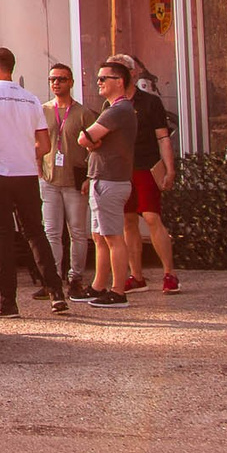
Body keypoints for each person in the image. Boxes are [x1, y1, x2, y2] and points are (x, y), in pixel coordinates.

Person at [0, 47, 68, 317]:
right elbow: (44, 144)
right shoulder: (31, 98)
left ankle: (8, 301)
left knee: (2, 236)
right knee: (35, 231)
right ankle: (56, 293)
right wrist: (23, 151)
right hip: (25, 174)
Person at [77, 60, 141, 306]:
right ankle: (98, 286)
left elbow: (85, 138)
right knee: (100, 236)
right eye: (98, 78)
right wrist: (92, 141)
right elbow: (90, 139)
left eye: (104, 78)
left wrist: (91, 141)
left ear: (120, 82)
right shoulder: (112, 108)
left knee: (113, 237)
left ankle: (118, 291)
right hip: (101, 179)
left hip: (110, 181)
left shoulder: (119, 110)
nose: (99, 82)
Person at [125, 58, 181, 294]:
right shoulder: (111, 105)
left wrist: (169, 169)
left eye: (123, 71)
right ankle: (136, 276)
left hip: (146, 167)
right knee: (128, 221)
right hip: (121, 170)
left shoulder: (150, 102)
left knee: (151, 217)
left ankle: (169, 273)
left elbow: (163, 137)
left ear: (133, 73)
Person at [39, 63, 93, 297]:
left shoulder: (83, 113)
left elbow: (95, 147)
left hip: (74, 179)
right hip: (49, 179)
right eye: (52, 79)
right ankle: (53, 280)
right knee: (51, 231)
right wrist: (37, 168)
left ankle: (75, 278)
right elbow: (36, 141)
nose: (56, 83)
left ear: (71, 82)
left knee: (77, 232)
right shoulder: (43, 110)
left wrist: (89, 176)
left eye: (61, 79)